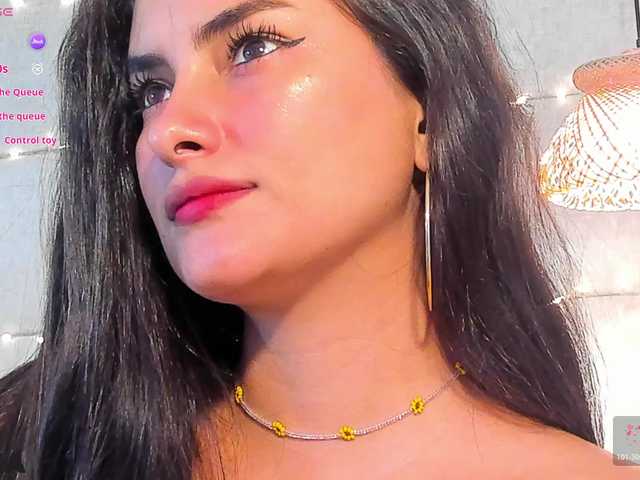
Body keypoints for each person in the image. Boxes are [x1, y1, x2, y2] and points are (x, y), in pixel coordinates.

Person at [1, 0, 639, 478]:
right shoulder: (44, 450)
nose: (168, 130)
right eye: (152, 91)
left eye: (253, 47)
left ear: (426, 112)